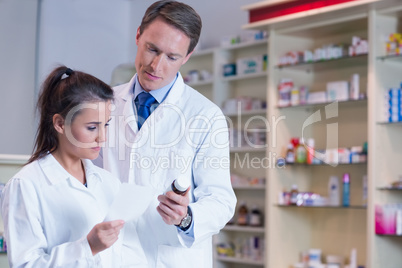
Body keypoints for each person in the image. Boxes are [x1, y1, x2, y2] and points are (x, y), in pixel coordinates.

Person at [98, 1, 237, 267]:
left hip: (172, 259)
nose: (156, 65)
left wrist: (185, 217)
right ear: (138, 35)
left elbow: (220, 200)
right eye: (152, 49)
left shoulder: (205, 116)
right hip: (112, 255)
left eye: (172, 57)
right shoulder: (104, 103)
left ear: (187, 56)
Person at [0, 66, 129, 267]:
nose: (102, 137)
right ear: (60, 124)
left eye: (106, 125)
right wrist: (88, 246)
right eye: (92, 127)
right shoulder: (26, 185)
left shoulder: (108, 182)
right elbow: (25, 264)